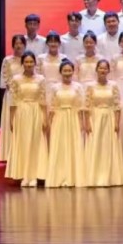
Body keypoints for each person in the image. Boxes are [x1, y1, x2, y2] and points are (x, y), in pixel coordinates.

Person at [4, 52, 48, 187]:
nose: (29, 64)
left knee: (35, 143)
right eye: (26, 62)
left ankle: (34, 175)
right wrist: (11, 119)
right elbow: (13, 101)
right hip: (21, 112)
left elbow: (43, 100)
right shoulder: (16, 79)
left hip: (36, 112)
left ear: (35, 63)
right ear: (22, 63)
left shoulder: (41, 79)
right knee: (23, 142)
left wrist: (45, 118)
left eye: (31, 62)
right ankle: (24, 175)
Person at [45, 60, 86, 188]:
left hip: (73, 118)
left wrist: (81, 123)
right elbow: (51, 106)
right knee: (60, 146)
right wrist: (49, 122)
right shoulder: (54, 87)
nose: (67, 73)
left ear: (73, 72)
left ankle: (73, 177)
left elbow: (81, 106)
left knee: (73, 146)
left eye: (69, 70)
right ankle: (59, 177)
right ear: (60, 72)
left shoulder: (78, 87)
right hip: (59, 119)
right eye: (65, 70)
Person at [83, 59, 123, 187]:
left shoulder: (113, 86)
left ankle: (110, 177)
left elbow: (117, 106)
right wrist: (87, 123)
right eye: (100, 68)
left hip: (109, 117)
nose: (103, 70)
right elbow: (87, 106)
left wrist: (117, 122)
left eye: (105, 68)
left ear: (109, 70)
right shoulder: (90, 86)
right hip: (95, 117)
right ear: (96, 70)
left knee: (108, 145)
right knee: (96, 145)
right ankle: (94, 176)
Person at [0, 35, 27, 161]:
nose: (18, 46)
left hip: (25, 95)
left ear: (25, 45)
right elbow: (5, 78)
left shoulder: (28, 59)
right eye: (16, 43)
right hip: (11, 95)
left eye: (21, 43)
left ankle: (22, 152)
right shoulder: (7, 60)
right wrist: (14, 88)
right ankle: (9, 153)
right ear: (12, 45)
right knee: (11, 123)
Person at [37, 32, 68, 102]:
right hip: (44, 89)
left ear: (59, 44)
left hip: (60, 89)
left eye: (55, 42)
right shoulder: (40, 58)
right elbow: (38, 75)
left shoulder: (64, 58)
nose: (53, 44)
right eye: (51, 42)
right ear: (47, 43)